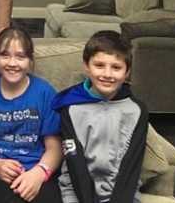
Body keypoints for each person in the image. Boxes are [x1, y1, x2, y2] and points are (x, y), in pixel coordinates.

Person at [51, 31, 148, 203]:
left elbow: (131, 166)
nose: (107, 74)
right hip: (77, 192)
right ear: (87, 66)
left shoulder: (137, 110)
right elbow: (76, 164)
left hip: (122, 194)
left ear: (127, 72)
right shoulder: (69, 107)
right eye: (99, 65)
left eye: (116, 67)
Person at [0, 28, 62, 203]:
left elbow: (55, 147)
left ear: (30, 60)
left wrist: (39, 173)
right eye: (5, 55)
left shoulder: (45, 93)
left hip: (36, 170)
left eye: (20, 57)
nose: (12, 63)